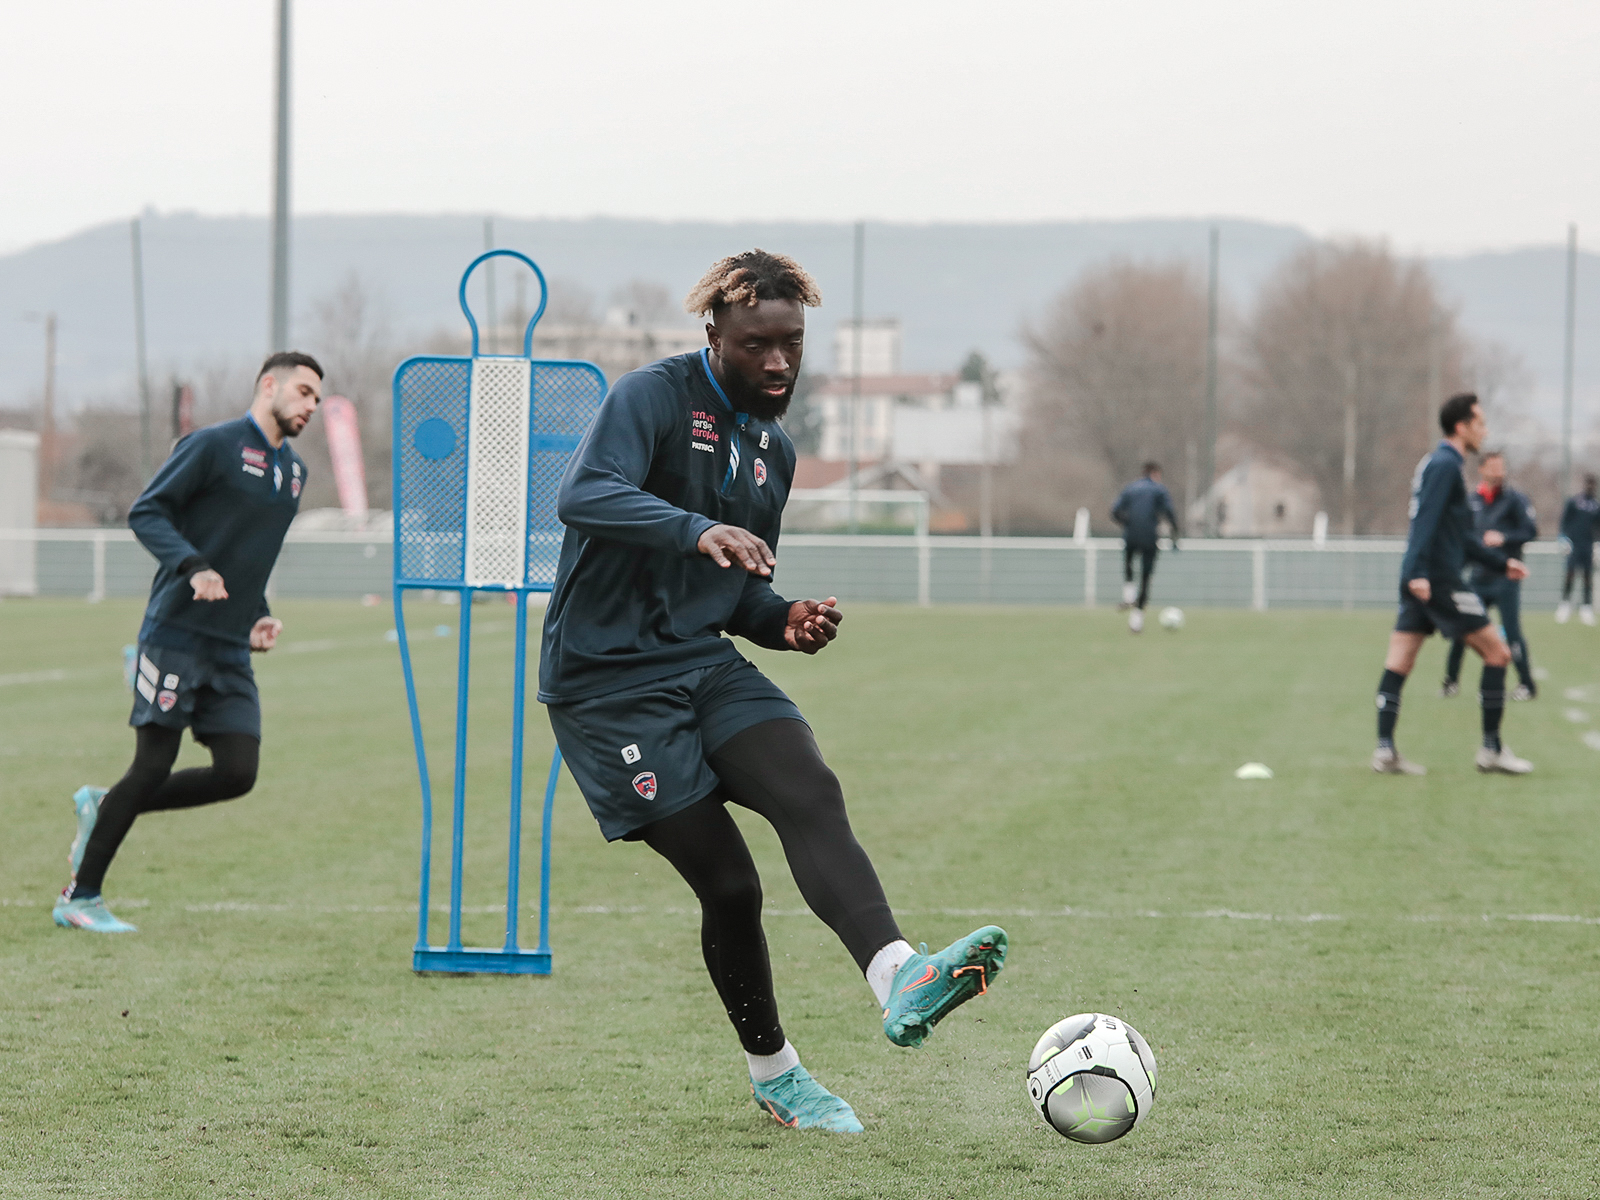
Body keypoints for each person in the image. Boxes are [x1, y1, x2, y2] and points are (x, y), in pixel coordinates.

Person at [539, 250, 1006, 1134]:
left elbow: (737, 592)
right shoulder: (652, 398)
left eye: (791, 342)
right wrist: (696, 529)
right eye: (757, 344)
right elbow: (585, 493)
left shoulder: (773, 451)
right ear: (715, 334)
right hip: (606, 686)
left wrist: (781, 617)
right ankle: (776, 1074)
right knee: (730, 885)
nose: (779, 361)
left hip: (700, 661)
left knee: (808, 786)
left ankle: (899, 973)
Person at [53, 352, 323, 933]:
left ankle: (105, 805)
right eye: (303, 392)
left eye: (317, 399)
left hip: (229, 648)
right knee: (153, 764)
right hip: (174, 635)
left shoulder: (295, 473)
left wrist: (258, 614)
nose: (311, 406)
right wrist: (193, 567)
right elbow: (147, 512)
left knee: (238, 772)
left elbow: (250, 553)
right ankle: (80, 898)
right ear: (269, 385)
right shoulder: (212, 446)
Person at [1373, 393, 1532, 776]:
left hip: (1422, 576)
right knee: (1498, 653)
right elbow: (1425, 521)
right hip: (1438, 580)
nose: (1484, 431)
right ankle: (1491, 750)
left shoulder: (1439, 463)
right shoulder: (1445, 465)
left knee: (1400, 660)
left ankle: (1385, 751)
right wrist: (1418, 572)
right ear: (1461, 427)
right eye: (1480, 423)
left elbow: (1461, 536)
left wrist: (1500, 562)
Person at [1441, 450, 1538, 700]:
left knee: (1512, 632)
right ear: (1482, 469)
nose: (1499, 472)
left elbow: (1530, 530)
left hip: (1505, 580)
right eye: (1494, 467)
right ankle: (1451, 681)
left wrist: (1503, 538)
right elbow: (1466, 540)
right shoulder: (1472, 501)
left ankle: (1527, 684)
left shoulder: (1515, 499)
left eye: (1501, 467)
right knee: (1462, 629)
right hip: (1478, 579)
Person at [1111, 462, 1179, 633]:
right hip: (1149, 537)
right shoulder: (1159, 490)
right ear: (1156, 473)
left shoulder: (1130, 488)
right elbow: (1169, 511)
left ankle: (1128, 595)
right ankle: (1136, 622)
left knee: (1128, 562)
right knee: (1146, 578)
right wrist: (1175, 534)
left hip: (1131, 535)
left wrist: (1128, 523)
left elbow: (1114, 512)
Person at [1556, 474, 1600, 625]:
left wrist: (1597, 544)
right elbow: (1564, 522)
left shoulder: (1596, 506)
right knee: (1570, 574)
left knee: (1587, 577)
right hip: (1573, 545)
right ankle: (1565, 605)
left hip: (1588, 546)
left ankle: (1586, 607)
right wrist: (1563, 538)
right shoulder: (1574, 502)